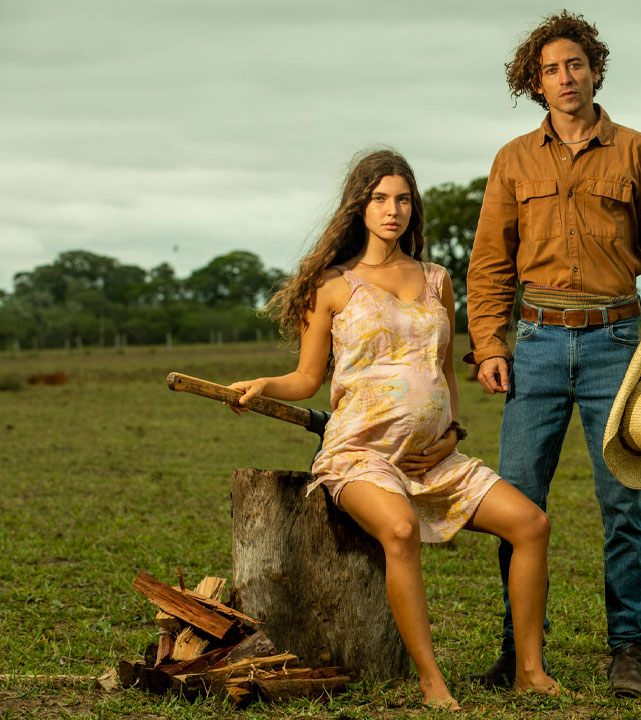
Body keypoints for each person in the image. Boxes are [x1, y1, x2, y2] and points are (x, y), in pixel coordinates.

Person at [227, 149, 562, 710]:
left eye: (403, 199)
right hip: (360, 455)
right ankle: (431, 680)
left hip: (434, 457)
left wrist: (452, 433)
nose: (392, 210)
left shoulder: (436, 280)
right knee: (401, 531)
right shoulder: (332, 285)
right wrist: (264, 384)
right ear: (358, 207)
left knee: (531, 524)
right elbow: (307, 378)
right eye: (379, 198)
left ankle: (530, 670)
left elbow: (444, 372)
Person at [463, 11, 641, 698]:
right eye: (550, 70)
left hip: (615, 345)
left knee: (622, 505)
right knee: (515, 504)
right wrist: (490, 343)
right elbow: (490, 262)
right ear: (534, 83)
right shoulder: (512, 159)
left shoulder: (638, 152)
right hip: (535, 344)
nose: (565, 78)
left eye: (575, 65)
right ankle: (517, 651)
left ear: (595, 70)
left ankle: (629, 650)